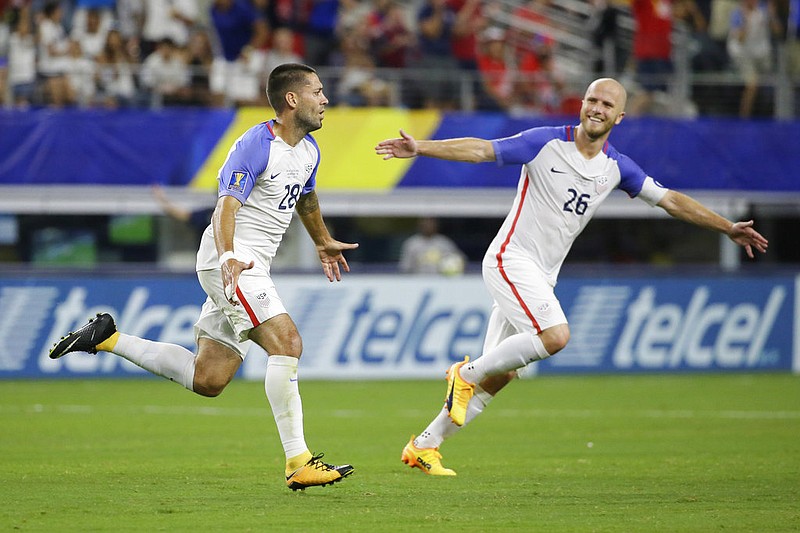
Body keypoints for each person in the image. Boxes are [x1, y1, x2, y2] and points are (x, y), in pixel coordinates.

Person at [375, 77, 769, 476]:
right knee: (556, 336)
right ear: (582, 104)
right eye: (592, 100)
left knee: (504, 372)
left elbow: (670, 200)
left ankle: (425, 445)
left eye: (607, 104)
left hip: (542, 275)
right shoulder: (546, 142)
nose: (597, 108)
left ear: (620, 115)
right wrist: (421, 147)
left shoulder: (616, 167)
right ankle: (464, 373)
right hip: (511, 259)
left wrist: (726, 227)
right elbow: (482, 150)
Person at [50, 63, 358, 491]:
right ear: (293, 99)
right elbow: (226, 206)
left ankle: (107, 338)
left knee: (208, 379)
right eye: (318, 91)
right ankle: (298, 461)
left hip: (247, 264)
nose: (325, 99)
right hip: (232, 261)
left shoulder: (309, 151)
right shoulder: (256, 144)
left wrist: (322, 240)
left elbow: (306, 199)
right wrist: (230, 255)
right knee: (288, 343)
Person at [399, 217, 466, 275]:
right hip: (417, 282)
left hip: (441, 281)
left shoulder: (444, 243)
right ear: (420, 225)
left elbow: (460, 259)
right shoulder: (412, 243)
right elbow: (405, 267)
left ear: (436, 225)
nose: (428, 226)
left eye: (431, 223)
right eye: (426, 223)